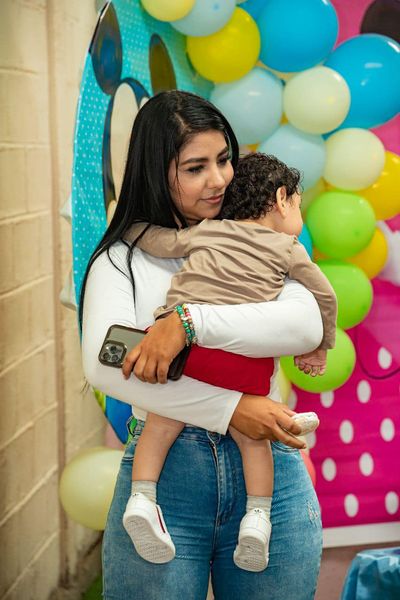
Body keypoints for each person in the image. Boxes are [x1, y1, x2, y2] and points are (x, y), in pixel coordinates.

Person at [81, 90, 324, 600]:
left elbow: (304, 326)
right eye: (195, 168)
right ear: (155, 172)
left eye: (224, 159)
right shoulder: (122, 259)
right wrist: (232, 409)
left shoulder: (264, 239)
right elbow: (108, 362)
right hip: (165, 479)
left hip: (270, 478)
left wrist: (188, 323)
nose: (219, 179)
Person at [122, 152, 336, 572]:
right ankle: (257, 519)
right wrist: (321, 345)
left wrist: (126, 224)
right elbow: (324, 295)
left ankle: (142, 499)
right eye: (299, 204)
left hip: (180, 349)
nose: (300, 214)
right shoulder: (288, 248)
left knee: (160, 422)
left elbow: (160, 242)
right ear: (281, 199)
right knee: (254, 440)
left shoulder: (209, 230)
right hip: (242, 362)